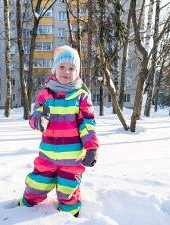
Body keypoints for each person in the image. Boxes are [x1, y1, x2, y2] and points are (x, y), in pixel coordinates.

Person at [18, 45, 99, 217]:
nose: (66, 72)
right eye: (62, 67)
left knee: (67, 190)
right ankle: (24, 208)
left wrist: (92, 148)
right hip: (47, 155)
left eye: (71, 68)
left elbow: (87, 123)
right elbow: (34, 114)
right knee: (37, 184)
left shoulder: (81, 95)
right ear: (55, 69)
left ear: (77, 72)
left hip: (72, 158)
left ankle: (70, 215)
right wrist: (38, 120)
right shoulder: (45, 94)